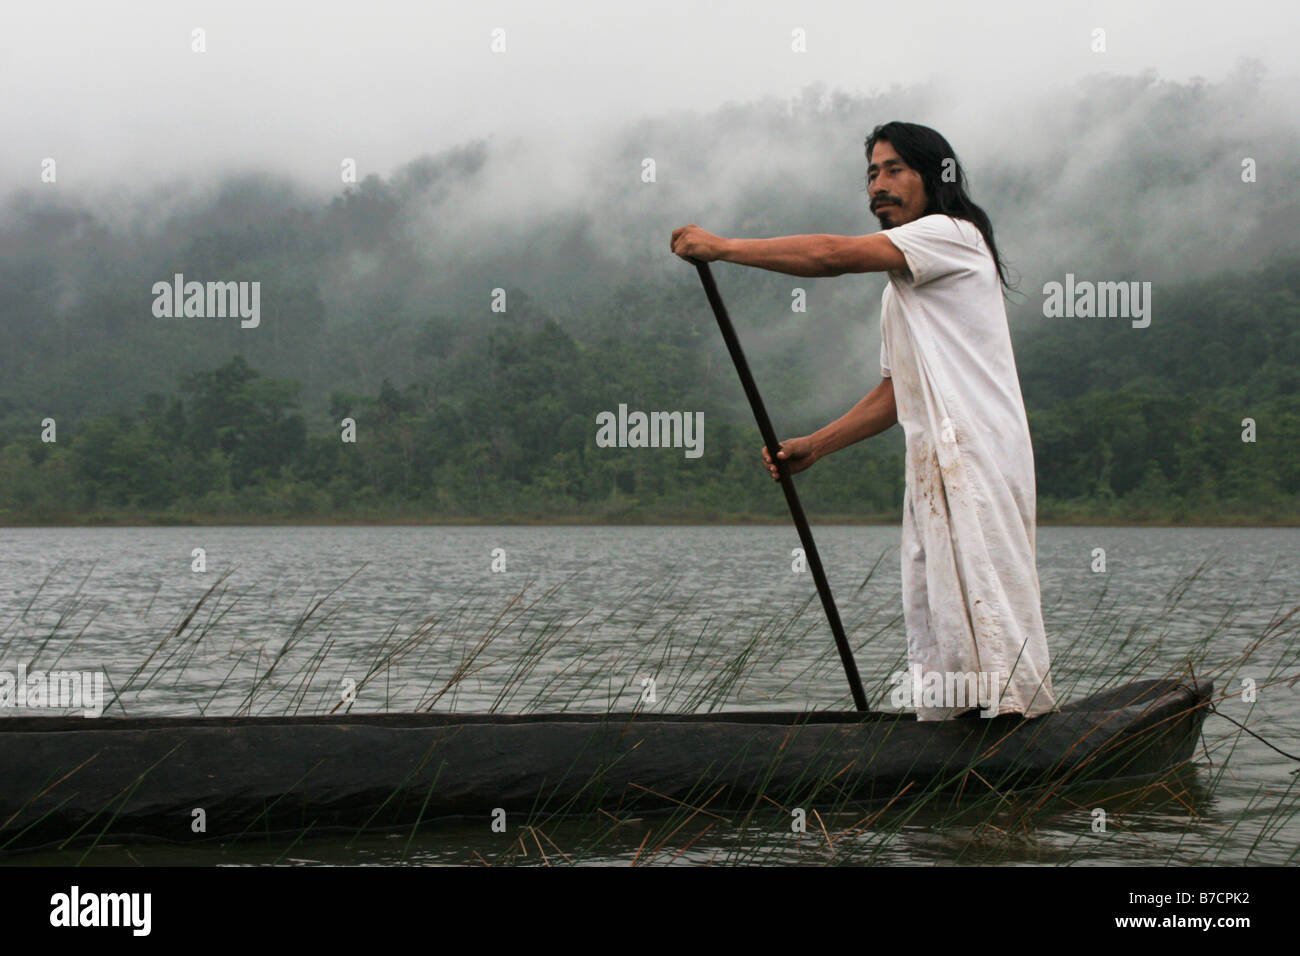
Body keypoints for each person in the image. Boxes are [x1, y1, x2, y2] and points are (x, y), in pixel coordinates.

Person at [670, 121, 1056, 720]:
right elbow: (896, 391)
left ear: (936, 177)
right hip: (933, 463)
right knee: (940, 605)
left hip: (977, 453)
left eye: (895, 169)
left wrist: (724, 248)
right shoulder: (899, 286)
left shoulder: (953, 236)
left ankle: (1019, 726)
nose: (879, 184)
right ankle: (960, 732)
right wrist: (817, 446)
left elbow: (830, 255)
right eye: (872, 173)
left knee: (991, 600)